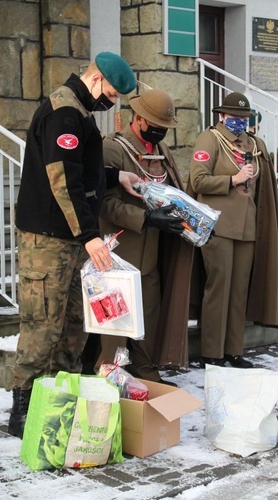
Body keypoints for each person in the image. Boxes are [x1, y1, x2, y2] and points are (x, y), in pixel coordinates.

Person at [8, 52, 138, 439]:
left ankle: (57, 402)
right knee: (43, 325)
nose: (111, 103)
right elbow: (63, 178)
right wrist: (90, 235)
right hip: (48, 239)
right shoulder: (64, 112)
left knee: (72, 325)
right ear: (95, 78)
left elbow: (81, 168)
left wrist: (116, 176)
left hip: (67, 239)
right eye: (111, 94)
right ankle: (24, 410)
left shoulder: (79, 112)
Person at [95, 89, 194, 383]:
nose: (160, 132)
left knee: (149, 314)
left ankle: (145, 369)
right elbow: (104, 203)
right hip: (120, 251)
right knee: (116, 321)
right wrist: (146, 217)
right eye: (155, 125)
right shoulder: (113, 148)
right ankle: (110, 376)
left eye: (164, 128)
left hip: (152, 251)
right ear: (138, 119)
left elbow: (172, 190)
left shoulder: (160, 150)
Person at [187, 92, 278, 368]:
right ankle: (212, 352)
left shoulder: (253, 144)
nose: (239, 123)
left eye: (244, 118)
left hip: (247, 229)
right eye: (234, 118)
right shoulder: (209, 139)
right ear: (221, 116)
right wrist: (233, 179)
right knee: (218, 290)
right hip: (219, 228)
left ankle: (233, 350)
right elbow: (197, 181)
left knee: (238, 292)